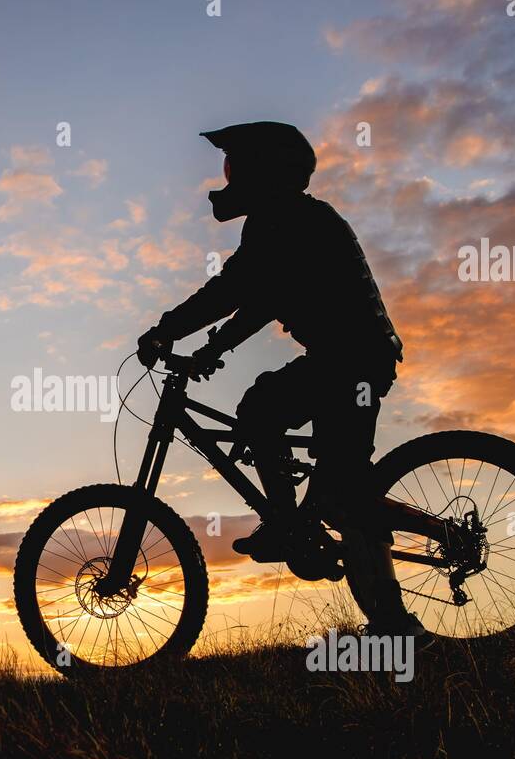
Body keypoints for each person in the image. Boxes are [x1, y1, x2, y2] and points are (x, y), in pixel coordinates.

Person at [136, 121, 423, 636]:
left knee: (325, 473)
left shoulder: (287, 220)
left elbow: (238, 291)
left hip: (351, 360)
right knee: (303, 450)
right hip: (350, 358)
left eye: (235, 166)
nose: (228, 178)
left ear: (263, 171)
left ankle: (304, 539)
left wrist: (167, 332)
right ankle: (297, 529)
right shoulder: (288, 218)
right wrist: (209, 347)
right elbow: (259, 297)